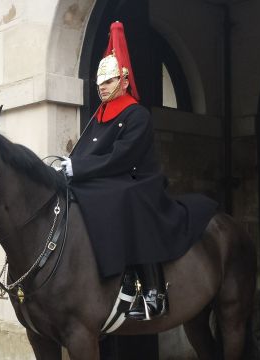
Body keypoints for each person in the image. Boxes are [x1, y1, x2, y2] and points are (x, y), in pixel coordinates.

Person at [62, 21, 217, 321]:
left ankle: (152, 289)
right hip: (109, 177)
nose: (101, 88)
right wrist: (68, 165)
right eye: (99, 83)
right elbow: (86, 152)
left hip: (137, 179)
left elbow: (122, 157)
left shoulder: (137, 114)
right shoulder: (100, 115)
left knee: (124, 196)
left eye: (107, 82)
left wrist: (79, 168)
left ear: (123, 80)